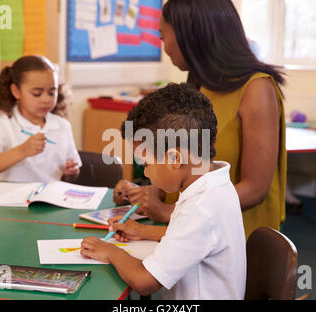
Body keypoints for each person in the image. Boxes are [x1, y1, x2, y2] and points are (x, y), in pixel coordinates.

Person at [114, 0, 286, 238]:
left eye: (163, 37)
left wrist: (168, 211)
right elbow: (189, 165)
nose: (164, 47)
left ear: (189, 35)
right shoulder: (199, 84)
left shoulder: (256, 88)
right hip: (188, 231)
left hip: (232, 238)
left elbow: (255, 188)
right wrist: (153, 190)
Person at [81, 83, 246, 299]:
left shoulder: (201, 207)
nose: (147, 173)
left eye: (145, 163)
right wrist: (143, 232)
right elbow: (197, 237)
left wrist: (110, 251)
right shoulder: (214, 183)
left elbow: (144, 282)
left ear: (174, 158)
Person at [0, 55, 81, 182]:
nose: (46, 99)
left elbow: (72, 175)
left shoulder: (62, 125)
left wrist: (71, 172)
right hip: (10, 199)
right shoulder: (2, 120)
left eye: (52, 92)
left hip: (48, 197)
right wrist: (23, 150)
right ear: (16, 91)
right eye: (37, 93)